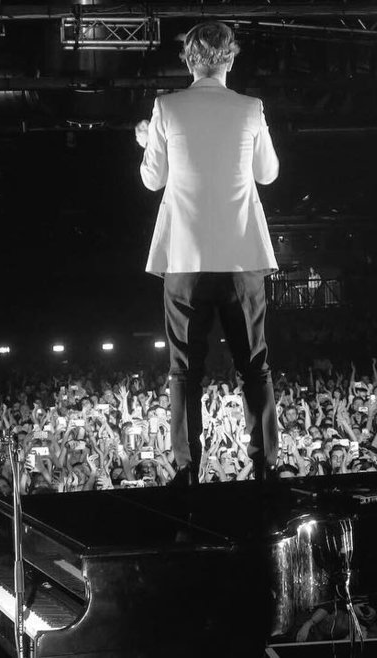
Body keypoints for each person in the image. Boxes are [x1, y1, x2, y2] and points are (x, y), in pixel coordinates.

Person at [135, 20, 281, 484]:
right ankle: (266, 465)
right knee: (254, 366)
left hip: (185, 258)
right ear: (230, 59)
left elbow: (152, 180)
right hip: (241, 257)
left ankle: (186, 470)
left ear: (189, 61)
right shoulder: (251, 107)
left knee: (184, 370)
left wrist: (147, 141)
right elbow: (268, 173)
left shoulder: (166, 107)